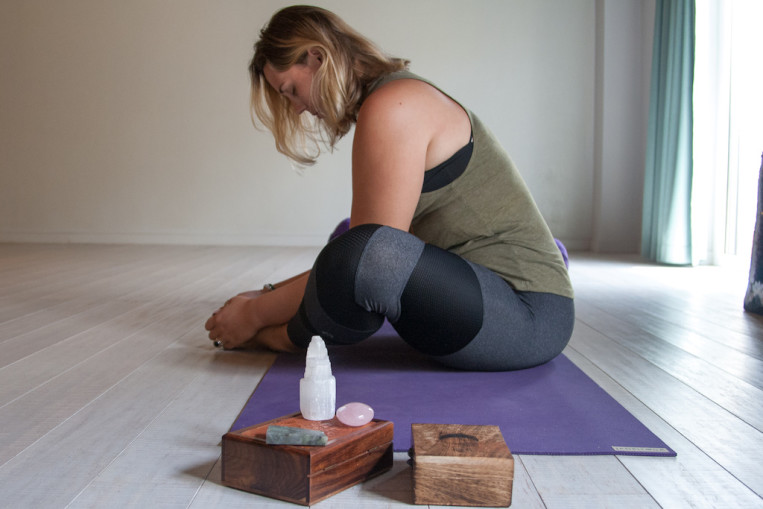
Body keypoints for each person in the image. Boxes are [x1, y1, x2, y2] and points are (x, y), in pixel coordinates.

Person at [205, 5, 574, 371]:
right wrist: (265, 295)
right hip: (477, 300)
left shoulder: (394, 105)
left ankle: (277, 338)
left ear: (316, 58)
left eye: (290, 90)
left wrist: (256, 315)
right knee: (347, 245)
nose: (297, 108)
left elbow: (367, 258)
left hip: (527, 317)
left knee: (362, 254)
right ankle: (273, 324)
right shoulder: (389, 99)